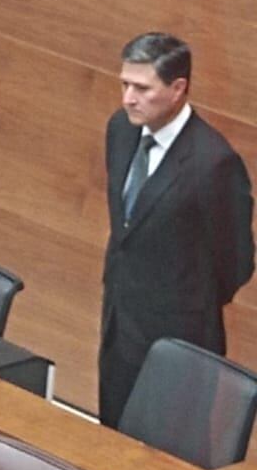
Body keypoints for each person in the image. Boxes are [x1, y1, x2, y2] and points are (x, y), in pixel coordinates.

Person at [99, 32, 254, 427]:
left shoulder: (213, 164)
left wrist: (181, 299)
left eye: (141, 88)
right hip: (119, 328)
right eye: (125, 84)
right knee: (109, 446)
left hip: (178, 343)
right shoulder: (121, 129)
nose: (128, 98)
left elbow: (235, 262)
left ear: (178, 88)